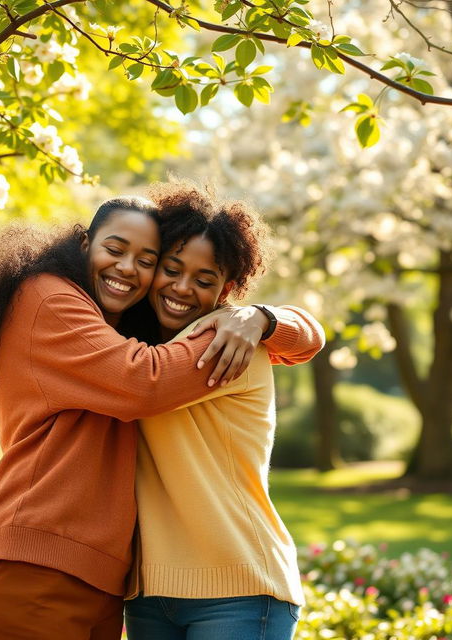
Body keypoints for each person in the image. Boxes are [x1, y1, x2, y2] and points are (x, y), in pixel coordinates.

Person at [0, 195, 293, 640]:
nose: (128, 268)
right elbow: (144, 381)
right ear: (84, 243)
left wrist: (264, 319)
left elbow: (302, 343)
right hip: (31, 562)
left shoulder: (114, 329)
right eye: (115, 250)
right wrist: (253, 322)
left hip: (103, 584)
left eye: (146, 260)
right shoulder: (49, 297)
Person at [125, 180, 325, 640]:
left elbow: (310, 335)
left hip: (240, 588)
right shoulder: (138, 344)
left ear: (227, 288)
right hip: (149, 593)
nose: (181, 288)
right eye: (170, 269)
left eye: (204, 279)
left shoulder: (229, 346)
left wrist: (261, 317)